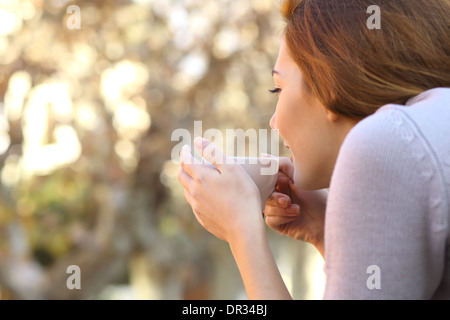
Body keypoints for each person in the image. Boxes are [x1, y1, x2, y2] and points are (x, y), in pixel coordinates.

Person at [177, 0, 450, 299]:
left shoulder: (386, 143)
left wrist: (242, 232)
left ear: (328, 84)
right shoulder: (428, 126)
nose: (274, 122)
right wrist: (325, 231)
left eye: (278, 89)